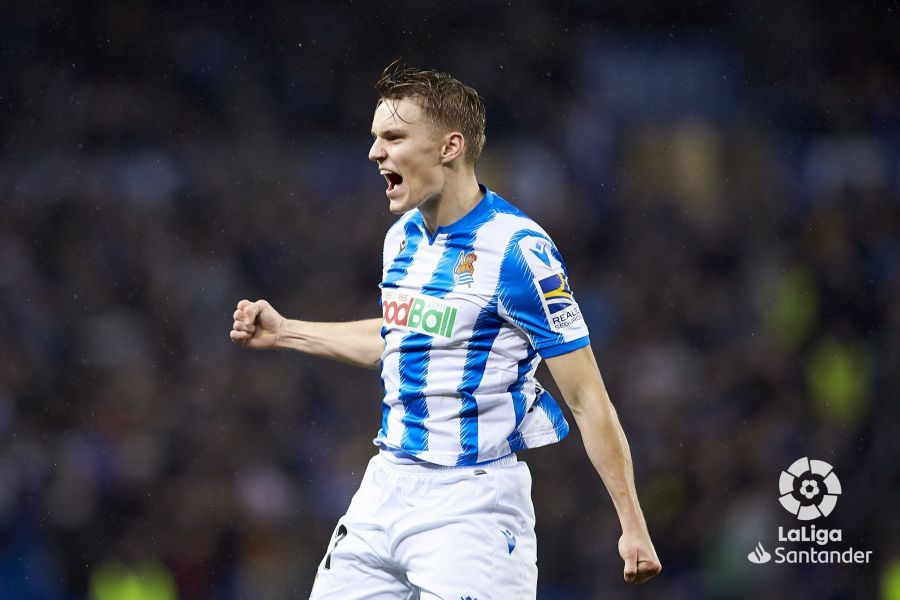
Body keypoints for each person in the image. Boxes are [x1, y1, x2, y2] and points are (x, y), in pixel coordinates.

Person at [230, 63, 660, 599]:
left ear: (449, 146)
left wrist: (632, 523)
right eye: (374, 138)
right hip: (385, 486)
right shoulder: (401, 238)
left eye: (392, 137)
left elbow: (587, 397)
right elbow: (399, 339)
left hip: (471, 505)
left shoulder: (518, 251)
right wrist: (289, 332)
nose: (374, 152)